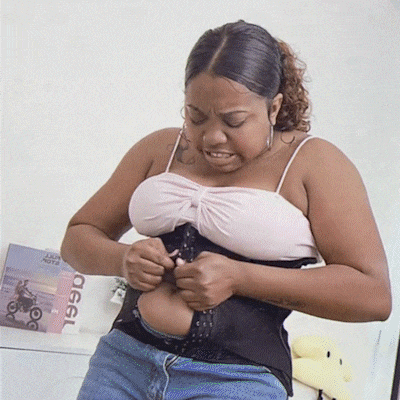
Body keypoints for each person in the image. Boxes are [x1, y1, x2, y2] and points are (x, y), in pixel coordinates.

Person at [61, 20, 392, 400]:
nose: (212, 137)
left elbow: (373, 295)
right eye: (195, 116)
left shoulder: (314, 163)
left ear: (273, 108)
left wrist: (239, 278)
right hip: (122, 365)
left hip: (236, 381)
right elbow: (77, 237)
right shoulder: (160, 149)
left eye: (234, 121)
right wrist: (122, 259)